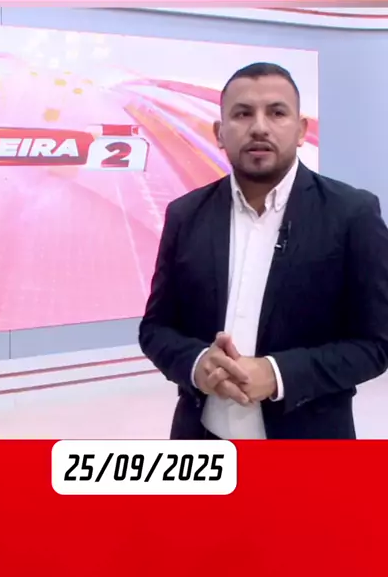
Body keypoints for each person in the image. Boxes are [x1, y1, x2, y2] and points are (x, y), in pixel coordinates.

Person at [139, 62, 388, 439]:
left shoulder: (352, 213)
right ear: (220, 133)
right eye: (242, 114)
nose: (259, 127)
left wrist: (277, 374)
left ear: (301, 130)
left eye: (276, 112)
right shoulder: (185, 215)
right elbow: (156, 328)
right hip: (200, 440)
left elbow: (376, 343)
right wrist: (197, 364)